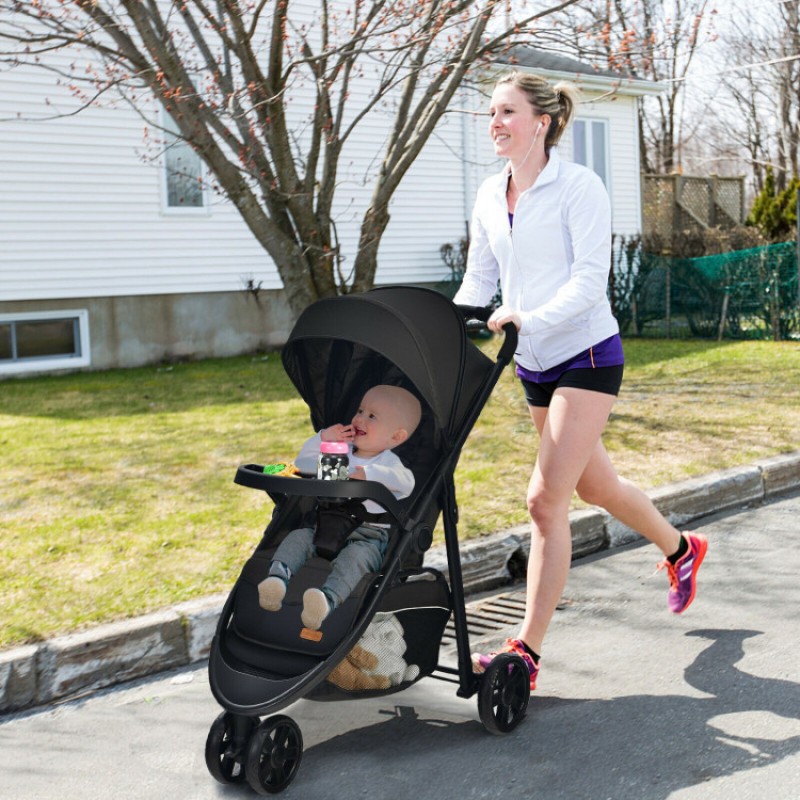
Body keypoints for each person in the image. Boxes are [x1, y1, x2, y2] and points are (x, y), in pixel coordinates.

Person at [454, 71, 708, 691]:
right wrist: (446, 319)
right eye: (491, 112)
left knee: (545, 501)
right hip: (533, 363)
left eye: (506, 112)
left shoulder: (579, 187)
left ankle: (526, 651)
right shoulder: (490, 194)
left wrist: (527, 317)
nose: (494, 122)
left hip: (588, 354)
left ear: (540, 122)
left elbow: (590, 283)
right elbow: (477, 281)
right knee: (598, 486)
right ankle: (682, 550)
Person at [258, 384, 422, 630]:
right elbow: (303, 463)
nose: (359, 418)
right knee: (298, 538)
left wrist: (365, 473)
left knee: (356, 559)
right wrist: (323, 437)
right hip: (322, 524)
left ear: (396, 437)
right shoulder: (339, 452)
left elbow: (406, 483)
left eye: (372, 416)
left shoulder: (389, 463)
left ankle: (325, 600)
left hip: (367, 535)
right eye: (360, 410)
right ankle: (276, 581)